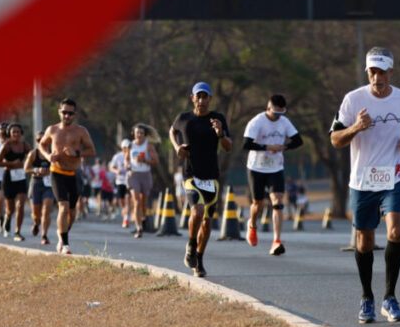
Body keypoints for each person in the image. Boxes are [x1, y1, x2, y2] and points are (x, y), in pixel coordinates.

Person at [330, 47, 400, 324]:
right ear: (367, 72)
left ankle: (390, 298)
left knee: (395, 231)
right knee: (364, 241)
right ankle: (367, 297)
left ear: (391, 72)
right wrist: (355, 127)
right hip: (363, 178)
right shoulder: (353, 99)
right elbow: (335, 139)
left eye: (382, 72)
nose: (377, 78)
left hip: (395, 174)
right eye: (372, 72)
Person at [170, 82, 232, 277]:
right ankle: (191, 245)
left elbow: (228, 146)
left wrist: (220, 134)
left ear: (210, 99)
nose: (202, 100)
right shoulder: (184, 118)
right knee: (197, 211)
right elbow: (172, 131)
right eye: (199, 96)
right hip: (191, 174)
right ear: (193, 98)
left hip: (211, 176)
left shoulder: (218, 119)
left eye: (205, 97)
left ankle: (199, 259)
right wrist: (177, 147)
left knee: (207, 221)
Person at [243, 94, 303, 255]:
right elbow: (246, 144)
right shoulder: (257, 121)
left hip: (275, 168)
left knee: (277, 201)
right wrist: (267, 147)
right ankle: (252, 225)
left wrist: (284, 147)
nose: (278, 117)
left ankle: (276, 240)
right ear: (268, 108)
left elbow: (298, 141)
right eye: (275, 113)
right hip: (256, 167)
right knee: (258, 203)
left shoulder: (284, 122)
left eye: (281, 113)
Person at [39, 98, 96, 254]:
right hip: (57, 172)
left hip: (74, 174)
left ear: (74, 114)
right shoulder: (52, 130)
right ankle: (65, 244)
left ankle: (62, 232)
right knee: (63, 207)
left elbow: (92, 151)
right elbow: (42, 144)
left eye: (70, 113)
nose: (67, 116)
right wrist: (48, 156)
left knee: (71, 212)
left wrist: (76, 153)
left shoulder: (81, 131)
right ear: (60, 112)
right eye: (64, 112)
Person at [0, 123, 32, 241]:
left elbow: (33, 157)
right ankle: (7, 218)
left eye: (18, 132)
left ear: (21, 133)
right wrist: (11, 163)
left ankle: (17, 231)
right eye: (13, 132)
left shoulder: (25, 145)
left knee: (21, 204)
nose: (16, 134)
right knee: (10, 208)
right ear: (9, 134)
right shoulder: (6, 146)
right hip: (9, 178)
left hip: (20, 177)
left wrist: (27, 164)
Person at [126, 124, 160, 238]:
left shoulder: (148, 146)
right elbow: (127, 159)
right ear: (134, 134)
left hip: (145, 175)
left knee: (143, 203)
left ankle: (142, 218)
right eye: (137, 133)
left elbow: (156, 161)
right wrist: (126, 165)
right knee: (136, 201)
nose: (139, 135)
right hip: (133, 175)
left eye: (141, 133)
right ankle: (139, 228)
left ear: (145, 135)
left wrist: (144, 160)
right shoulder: (130, 145)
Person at [25, 130, 55, 245]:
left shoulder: (52, 154)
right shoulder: (33, 154)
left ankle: (44, 235)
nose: (41, 142)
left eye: (43, 139)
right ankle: (36, 223)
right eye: (38, 140)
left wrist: (51, 171)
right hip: (36, 183)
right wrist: (36, 170)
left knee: (47, 210)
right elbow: (26, 168)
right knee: (36, 215)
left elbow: (60, 166)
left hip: (49, 184)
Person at [109, 140, 131, 227]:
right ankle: (124, 210)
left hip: (129, 181)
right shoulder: (117, 156)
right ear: (122, 148)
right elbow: (111, 167)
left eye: (128, 147)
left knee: (128, 199)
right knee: (122, 200)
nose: (126, 149)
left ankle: (126, 218)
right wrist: (116, 171)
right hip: (120, 181)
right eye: (125, 147)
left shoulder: (132, 155)